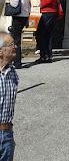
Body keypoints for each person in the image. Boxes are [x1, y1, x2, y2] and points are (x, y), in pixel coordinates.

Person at [6, 0, 30, 69]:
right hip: (24, 15)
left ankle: (16, 62)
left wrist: (10, 0)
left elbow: (15, 4)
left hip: (18, 16)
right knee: (17, 39)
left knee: (15, 40)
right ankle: (15, 60)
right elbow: (28, 4)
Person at [0, 31, 18, 161]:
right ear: (1, 51)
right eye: (11, 44)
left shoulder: (12, 72)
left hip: (6, 134)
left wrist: (9, 137)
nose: (15, 46)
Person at [35, 0, 59, 64]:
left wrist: (41, 4)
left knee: (40, 33)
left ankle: (44, 55)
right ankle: (48, 55)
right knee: (48, 35)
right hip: (52, 12)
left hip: (47, 12)